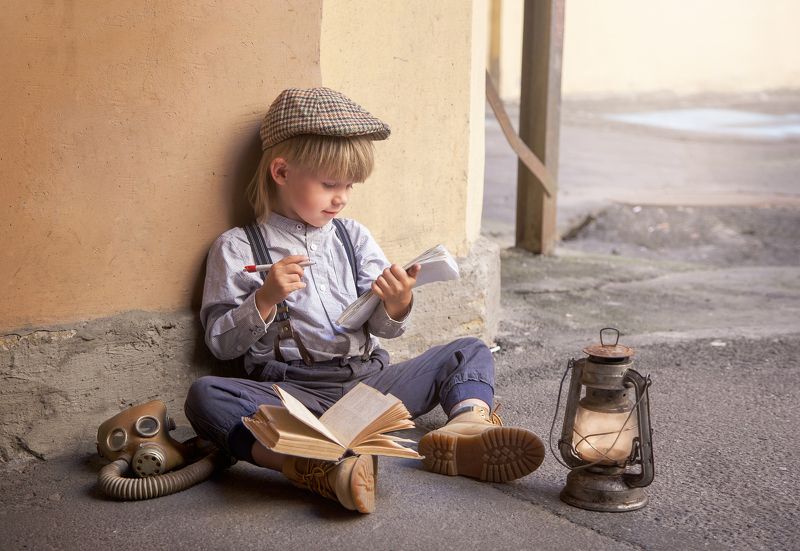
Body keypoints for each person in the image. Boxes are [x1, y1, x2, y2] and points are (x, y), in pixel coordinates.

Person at [184, 87, 544, 514]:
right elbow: (221, 345)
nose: (342, 197)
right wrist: (264, 298)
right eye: (329, 184)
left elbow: (380, 326)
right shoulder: (237, 248)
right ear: (281, 172)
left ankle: (467, 428)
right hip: (296, 395)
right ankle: (309, 465)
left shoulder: (352, 236)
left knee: (469, 351)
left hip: (370, 388)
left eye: (350, 186)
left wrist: (396, 303)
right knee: (205, 396)